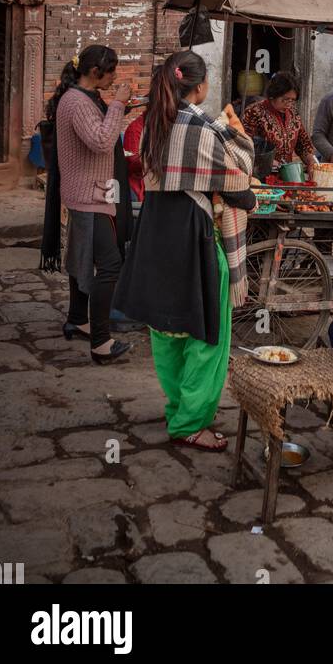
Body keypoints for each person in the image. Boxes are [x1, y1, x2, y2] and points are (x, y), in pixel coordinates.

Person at [113, 51, 256, 451]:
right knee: (208, 331)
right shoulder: (203, 124)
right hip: (194, 234)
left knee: (166, 327)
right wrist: (238, 129)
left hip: (156, 231)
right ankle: (191, 423)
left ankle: (179, 407)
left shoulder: (152, 123)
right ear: (199, 85)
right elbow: (241, 167)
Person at [40, 45, 135, 363]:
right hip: (89, 194)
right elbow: (102, 141)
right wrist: (119, 104)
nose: (115, 78)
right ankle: (101, 342)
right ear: (95, 73)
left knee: (82, 256)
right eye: (112, 72)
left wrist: (119, 107)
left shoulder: (81, 97)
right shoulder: (78, 101)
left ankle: (77, 319)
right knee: (110, 264)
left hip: (98, 190)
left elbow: (100, 132)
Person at [242, 72, 316, 180]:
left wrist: (311, 162)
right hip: (261, 178)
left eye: (292, 100)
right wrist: (267, 160)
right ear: (273, 96)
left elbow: (303, 144)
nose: (289, 104)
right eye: (285, 99)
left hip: (288, 177)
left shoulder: (293, 114)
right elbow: (243, 145)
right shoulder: (254, 112)